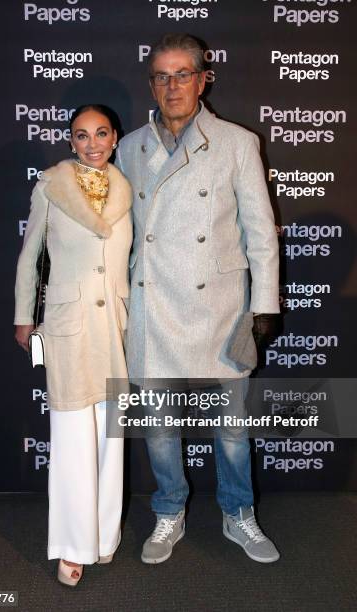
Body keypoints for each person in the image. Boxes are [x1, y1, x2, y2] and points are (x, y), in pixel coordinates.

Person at [115, 33, 281, 564]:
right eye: (162, 76)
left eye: (183, 73)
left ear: (204, 78)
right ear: (152, 84)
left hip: (221, 307)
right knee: (160, 429)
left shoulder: (236, 142)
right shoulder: (129, 147)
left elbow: (260, 232)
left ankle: (237, 513)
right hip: (153, 304)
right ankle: (169, 512)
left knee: (232, 429)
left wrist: (266, 305)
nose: (172, 86)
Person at [14, 104, 132, 586]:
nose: (92, 143)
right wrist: (24, 316)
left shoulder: (129, 191)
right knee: (71, 439)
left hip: (116, 328)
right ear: (70, 141)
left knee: (111, 437)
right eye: (81, 136)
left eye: (100, 133)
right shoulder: (50, 187)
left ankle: (104, 537)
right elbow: (29, 258)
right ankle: (72, 544)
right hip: (67, 325)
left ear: (115, 138)